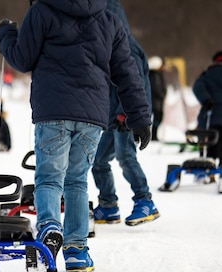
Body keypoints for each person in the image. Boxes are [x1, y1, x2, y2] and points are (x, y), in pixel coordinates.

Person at [0, 0, 152, 272]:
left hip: (53, 109)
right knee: (77, 181)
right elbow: (127, 72)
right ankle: (77, 251)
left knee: (49, 178)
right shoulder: (109, 18)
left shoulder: (42, 10)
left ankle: (49, 229)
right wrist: (139, 117)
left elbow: (22, 58)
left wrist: (6, 34)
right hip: (92, 115)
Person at [91, 0, 160, 227]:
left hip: (127, 117)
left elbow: (134, 84)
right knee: (99, 161)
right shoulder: (107, 45)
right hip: (114, 118)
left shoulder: (127, 46)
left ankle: (144, 200)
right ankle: (108, 205)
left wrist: (125, 113)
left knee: (126, 157)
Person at [148, 55, 167, 142]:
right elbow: (156, 88)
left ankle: (154, 135)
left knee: (156, 118)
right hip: (155, 102)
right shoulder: (154, 75)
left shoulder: (155, 75)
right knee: (156, 118)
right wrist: (162, 94)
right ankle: (153, 136)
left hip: (155, 101)